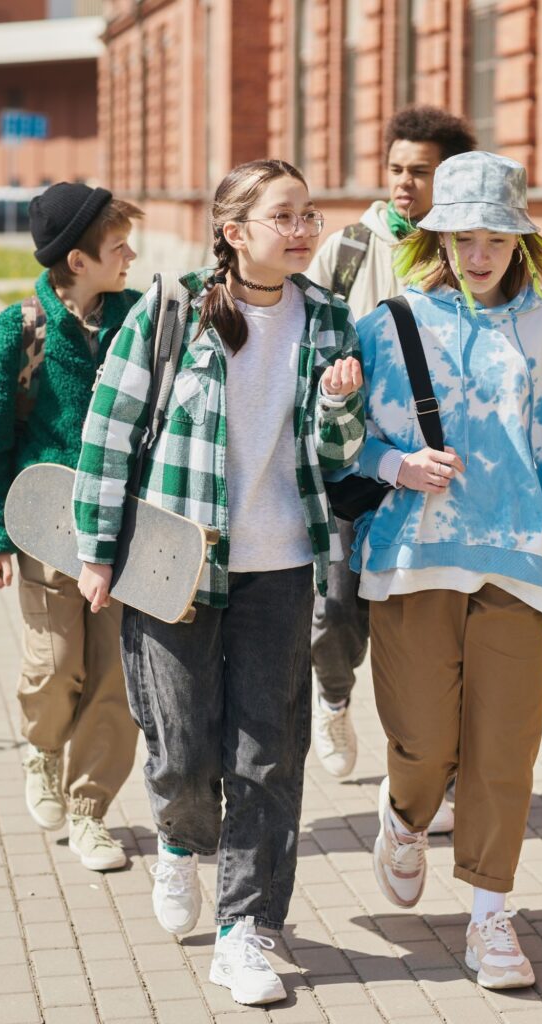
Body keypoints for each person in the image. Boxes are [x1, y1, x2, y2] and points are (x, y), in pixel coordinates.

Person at [72, 159, 365, 1007]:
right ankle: (177, 837)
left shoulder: (326, 322)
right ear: (235, 233)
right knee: (183, 743)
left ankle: (244, 929)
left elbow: (335, 457)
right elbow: (108, 432)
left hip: (280, 562)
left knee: (266, 753)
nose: (305, 229)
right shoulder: (170, 314)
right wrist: (97, 552)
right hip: (176, 561)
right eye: (286, 216)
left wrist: (344, 404)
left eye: (309, 214)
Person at [351, 151, 542, 990]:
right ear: (436, 238)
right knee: (424, 743)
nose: (479, 255)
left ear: (519, 242)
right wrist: (396, 463)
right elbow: (330, 444)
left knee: (503, 751)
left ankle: (488, 917)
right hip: (411, 561)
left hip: (518, 562)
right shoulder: (390, 325)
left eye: (495, 239)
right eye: (462, 238)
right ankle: (405, 817)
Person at [0, 183, 143, 871]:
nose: (131, 254)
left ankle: (92, 808)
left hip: (125, 529)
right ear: (77, 259)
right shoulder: (20, 331)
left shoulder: (139, 320)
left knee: (115, 678)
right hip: (43, 525)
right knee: (55, 664)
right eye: (118, 245)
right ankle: (40, 751)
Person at [308, 108, 475, 828]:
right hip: (356, 463)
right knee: (336, 610)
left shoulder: (472, 251)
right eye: (398, 167)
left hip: (439, 468)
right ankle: (333, 698)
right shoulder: (347, 250)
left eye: (422, 169)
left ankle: (439, 770)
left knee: (434, 629)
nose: (405, 182)